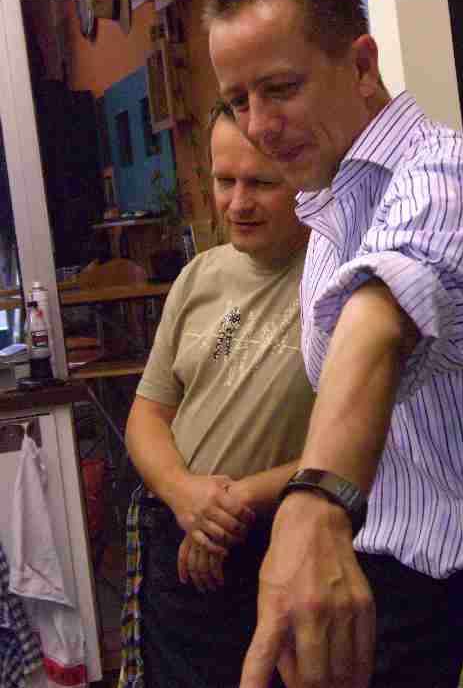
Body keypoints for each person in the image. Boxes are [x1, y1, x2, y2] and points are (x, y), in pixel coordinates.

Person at [206, 0, 463, 688]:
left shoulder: (456, 175)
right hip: (378, 583)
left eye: (281, 88)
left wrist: (314, 507)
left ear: (363, 65)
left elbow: (382, 312)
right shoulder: (332, 209)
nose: (259, 125)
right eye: (239, 100)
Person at [120, 102, 314, 688]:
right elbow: (147, 415)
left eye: (261, 183)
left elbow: (363, 449)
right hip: (175, 543)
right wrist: (186, 496)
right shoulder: (200, 276)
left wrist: (228, 508)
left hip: (278, 547)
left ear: (302, 175)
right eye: (225, 181)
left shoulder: (333, 280)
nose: (238, 203)